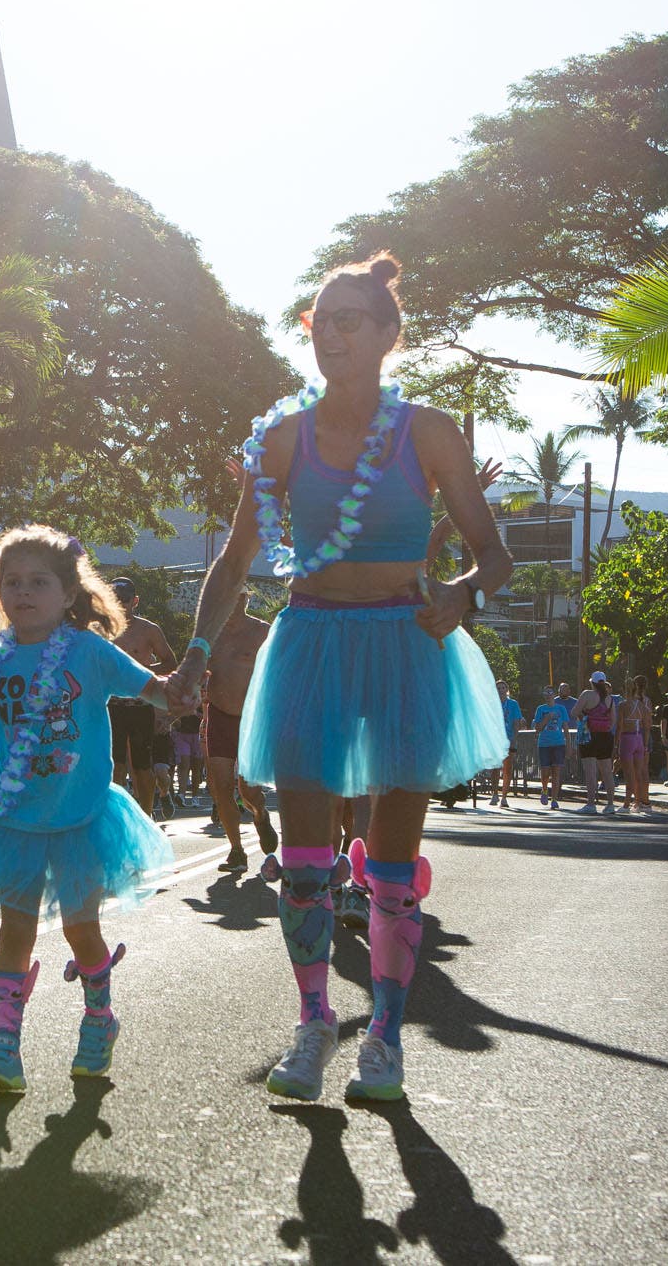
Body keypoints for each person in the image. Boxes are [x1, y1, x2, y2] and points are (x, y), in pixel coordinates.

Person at [174, 252, 511, 1104]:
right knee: (305, 861)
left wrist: (464, 594)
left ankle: (387, 1038)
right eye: (321, 319)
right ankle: (315, 1021)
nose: (332, 332)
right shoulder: (280, 437)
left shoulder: (428, 431)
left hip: (405, 648)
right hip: (310, 646)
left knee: (391, 869)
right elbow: (237, 558)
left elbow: (491, 551)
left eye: (350, 319)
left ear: (390, 335)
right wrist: (198, 652)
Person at [0, 526, 178, 1093]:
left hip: (82, 820)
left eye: (38, 582)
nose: (23, 593)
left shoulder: (89, 652)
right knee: (14, 933)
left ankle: (99, 1019)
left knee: (80, 930)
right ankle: (4, 1050)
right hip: (14, 822)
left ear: (67, 594)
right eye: (11, 583)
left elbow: (154, 690)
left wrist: (183, 688)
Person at [201, 590, 275, 872]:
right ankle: (236, 851)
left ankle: (260, 814)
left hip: (252, 720)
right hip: (218, 716)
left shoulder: (261, 631)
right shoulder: (210, 634)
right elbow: (197, 669)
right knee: (220, 788)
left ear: (245, 599)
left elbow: (278, 670)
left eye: (237, 598)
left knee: (248, 790)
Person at [106, 577, 179, 818]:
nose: (120, 605)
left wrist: (142, 673)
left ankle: (147, 815)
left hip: (140, 705)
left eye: (124, 600)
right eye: (115, 600)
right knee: (114, 765)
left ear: (134, 601)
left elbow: (170, 661)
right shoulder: (101, 630)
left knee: (141, 767)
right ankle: (115, 819)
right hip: (111, 705)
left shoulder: (148, 630)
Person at [573, 672, 615, 815]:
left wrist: (583, 717)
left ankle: (591, 804)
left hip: (589, 735)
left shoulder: (587, 695)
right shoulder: (609, 699)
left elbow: (574, 712)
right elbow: (612, 720)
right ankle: (610, 804)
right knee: (607, 772)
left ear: (592, 682)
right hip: (606, 737)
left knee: (590, 771)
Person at [618, 675, 653, 812]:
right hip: (642, 736)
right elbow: (648, 723)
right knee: (642, 771)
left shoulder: (626, 704)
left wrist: (616, 745)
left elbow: (620, 726)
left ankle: (632, 802)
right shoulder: (646, 702)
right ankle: (643, 801)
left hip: (630, 736)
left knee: (631, 773)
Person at [532, 687, 570, 809]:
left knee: (556, 771)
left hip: (558, 743)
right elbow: (537, 728)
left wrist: (569, 745)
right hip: (544, 744)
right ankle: (544, 790)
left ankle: (554, 799)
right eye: (546, 693)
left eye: (550, 693)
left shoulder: (561, 709)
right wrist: (547, 718)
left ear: (554, 695)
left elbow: (565, 728)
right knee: (545, 772)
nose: (548, 695)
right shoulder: (540, 709)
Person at [493, 681, 523, 807]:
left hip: (508, 738)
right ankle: (495, 794)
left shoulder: (513, 704)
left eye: (503, 687)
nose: (501, 690)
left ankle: (504, 796)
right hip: (495, 739)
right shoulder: (492, 703)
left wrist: (514, 739)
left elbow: (517, 722)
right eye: (498, 688)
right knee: (495, 768)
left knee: (507, 768)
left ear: (507, 689)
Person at [170, 706, 205, 804]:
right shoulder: (182, 695)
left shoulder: (201, 695)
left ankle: (195, 796)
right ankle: (181, 794)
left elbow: (207, 716)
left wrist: (196, 713)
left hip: (198, 734)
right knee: (183, 765)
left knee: (196, 767)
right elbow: (173, 714)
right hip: (182, 734)